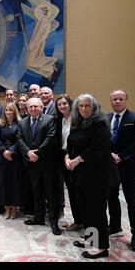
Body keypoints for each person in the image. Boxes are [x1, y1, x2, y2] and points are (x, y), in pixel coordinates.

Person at [65, 94, 111, 259]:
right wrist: (67, 158)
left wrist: (76, 160)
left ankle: (102, 247)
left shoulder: (100, 124)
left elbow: (97, 148)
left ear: (94, 107)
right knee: (85, 210)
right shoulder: (77, 123)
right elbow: (70, 144)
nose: (84, 109)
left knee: (96, 211)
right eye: (81, 106)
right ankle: (91, 239)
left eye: (87, 106)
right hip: (79, 174)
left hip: (96, 175)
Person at [107, 89, 135, 252]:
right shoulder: (106, 118)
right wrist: (109, 155)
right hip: (111, 166)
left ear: (126, 100)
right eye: (114, 99)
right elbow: (102, 139)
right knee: (111, 197)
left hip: (130, 166)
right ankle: (115, 226)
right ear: (111, 101)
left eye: (120, 99)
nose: (117, 101)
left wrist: (121, 156)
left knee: (132, 201)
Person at [16, 97, 60, 235]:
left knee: (51, 194)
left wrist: (38, 153)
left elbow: (51, 138)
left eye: (36, 106)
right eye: (31, 107)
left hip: (47, 163)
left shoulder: (49, 119)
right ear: (27, 109)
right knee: (37, 191)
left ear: (41, 107)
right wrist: (28, 152)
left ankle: (54, 222)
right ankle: (38, 217)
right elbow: (19, 138)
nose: (33, 109)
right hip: (31, 163)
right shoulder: (22, 122)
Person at [55, 95, 82, 230]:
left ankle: (86, 222)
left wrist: (72, 157)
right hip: (62, 157)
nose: (62, 106)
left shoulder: (77, 119)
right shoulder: (59, 120)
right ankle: (78, 221)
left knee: (79, 191)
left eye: (64, 103)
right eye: (59, 104)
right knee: (70, 190)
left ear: (70, 104)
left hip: (75, 158)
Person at [0, 103, 21, 220]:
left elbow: (20, 139)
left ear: (14, 111)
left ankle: (14, 208)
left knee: (14, 184)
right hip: (2, 157)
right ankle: (7, 208)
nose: (8, 112)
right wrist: (4, 152)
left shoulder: (20, 123)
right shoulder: (0, 124)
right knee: (3, 183)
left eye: (11, 110)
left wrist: (11, 151)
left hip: (14, 158)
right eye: (6, 110)